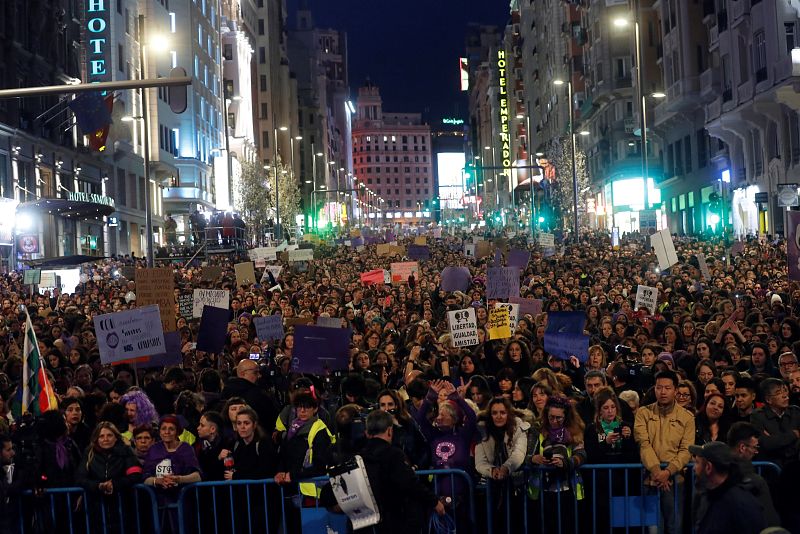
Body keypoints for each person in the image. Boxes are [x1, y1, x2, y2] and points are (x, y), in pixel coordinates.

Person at [356, 409, 445, 534]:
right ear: (389, 431)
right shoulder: (393, 455)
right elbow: (410, 483)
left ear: (367, 433)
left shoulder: (358, 458)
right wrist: (434, 501)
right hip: (393, 521)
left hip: (365, 525)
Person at [634, 370, 695, 534]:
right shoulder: (643, 413)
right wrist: (657, 471)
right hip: (649, 480)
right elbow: (643, 444)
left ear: (675, 390)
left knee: (675, 527)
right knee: (653, 529)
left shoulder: (687, 417)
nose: (662, 392)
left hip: (676, 481)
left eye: (667, 388)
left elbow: (686, 450)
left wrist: (668, 471)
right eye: (659, 387)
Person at [474, 397, 529, 532]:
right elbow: (480, 461)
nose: (499, 416)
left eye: (502, 413)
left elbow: (519, 453)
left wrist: (506, 468)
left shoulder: (518, 427)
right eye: (494, 413)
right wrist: (492, 471)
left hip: (516, 485)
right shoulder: (482, 430)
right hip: (491, 486)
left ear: (508, 413)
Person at [75, 422, 143, 531]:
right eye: (101, 436)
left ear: (116, 438)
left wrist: (115, 484)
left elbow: (136, 475)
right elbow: (80, 478)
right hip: (96, 512)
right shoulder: (89, 453)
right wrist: (98, 486)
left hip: (123, 509)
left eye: (109, 435)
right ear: (96, 438)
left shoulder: (126, 452)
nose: (105, 439)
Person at [690, 441, 767, 534]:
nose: (694, 468)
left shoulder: (739, 505)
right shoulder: (708, 497)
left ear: (708, 467)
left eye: (697, 463)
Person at [726, 422, 780, 527]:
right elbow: (770, 521)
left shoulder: (714, 475)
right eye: (754, 448)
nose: (756, 452)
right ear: (742, 448)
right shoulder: (756, 482)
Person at [222, 360, 280, 439]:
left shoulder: (225, 391)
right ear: (243, 373)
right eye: (255, 372)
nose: (259, 376)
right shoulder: (259, 395)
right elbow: (273, 417)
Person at [195, 411, 226, 481]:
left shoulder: (227, 445)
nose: (198, 428)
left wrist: (218, 459)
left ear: (213, 429)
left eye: (202, 425)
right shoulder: (200, 447)